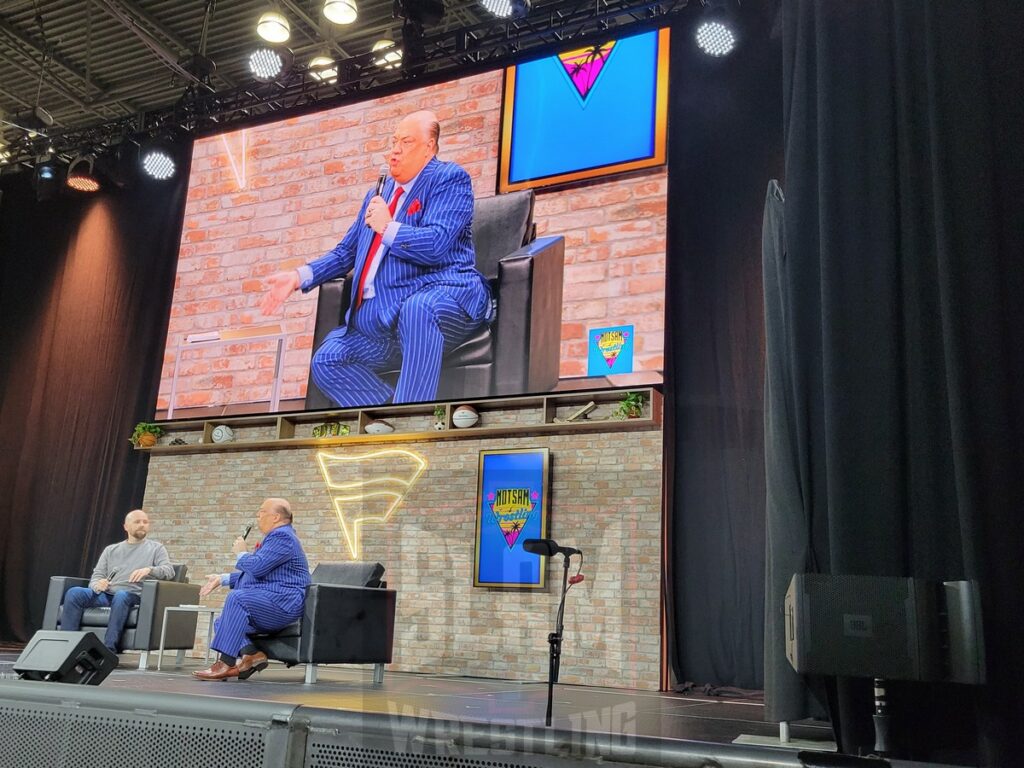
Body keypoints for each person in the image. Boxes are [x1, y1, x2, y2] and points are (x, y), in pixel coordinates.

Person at [260, 109, 491, 407]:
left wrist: (388, 226)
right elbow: (347, 252)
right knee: (328, 359)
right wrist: (299, 276)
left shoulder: (449, 179)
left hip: (445, 299)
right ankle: (388, 420)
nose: (394, 150)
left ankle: (411, 421)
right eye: (394, 141)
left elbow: (436, 244)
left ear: (429, 147)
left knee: (418, 309)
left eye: (406, 142)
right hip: (384, 322)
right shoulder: (378, 194)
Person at [193, 497, 311, 681]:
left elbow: (256, 567)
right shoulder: (276, 538)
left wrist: (242, 552)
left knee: (237, 598)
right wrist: (223, 579)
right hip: (271, 598)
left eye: (262, 511)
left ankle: (225, 664)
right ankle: (252, 656)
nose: (258, 515)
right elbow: (257, 573)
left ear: (276, 517)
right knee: (223, 622)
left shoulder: (283, 537)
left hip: (284, 602)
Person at [59, 509, 175, 656]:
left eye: (145, 522)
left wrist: (149, 570)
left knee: (121, 595)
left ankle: (108, 651)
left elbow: (169, 571)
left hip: (133, 596)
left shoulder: (156, 548)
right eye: (137, 522)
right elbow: (97, 576)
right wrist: (97, 584)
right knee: (74, 593)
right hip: (107, 594)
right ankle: (67, 647)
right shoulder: (111, 550)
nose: (142, 525)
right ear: (126, 527)